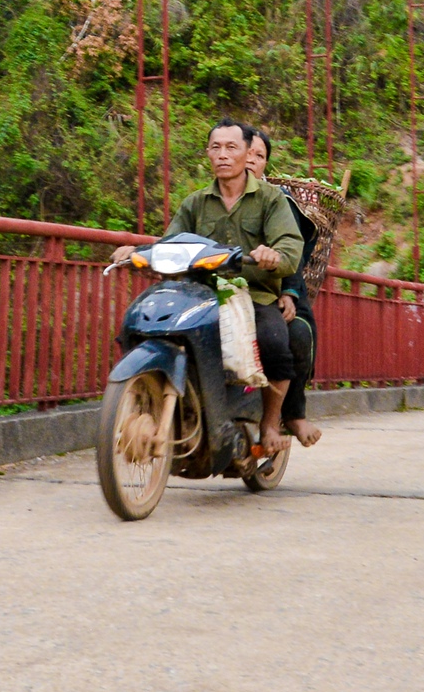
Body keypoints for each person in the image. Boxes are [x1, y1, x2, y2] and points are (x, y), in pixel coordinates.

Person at [109, 120, 306, 452]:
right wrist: (139, 253)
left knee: (274, 342)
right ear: (208, 155)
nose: (223, 156)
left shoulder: (271, 200)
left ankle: (270, 423)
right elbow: (171, 243)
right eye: (216, 148)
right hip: (200, 294)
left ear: (247, 153)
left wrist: (273, 255)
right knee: (140, 326)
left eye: (232, 148)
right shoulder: (195, 202)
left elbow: (289, 247)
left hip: (252, 295)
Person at [244, 127, 324, 449]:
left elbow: (295, 249)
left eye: (259, 156)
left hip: (273, 287)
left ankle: (291, 413)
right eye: (245, 152)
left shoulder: (278, 201)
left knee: (296, 334)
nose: (250, 160)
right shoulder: (211, 198)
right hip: (229, 286)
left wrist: (289, 291)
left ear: (266, 165)